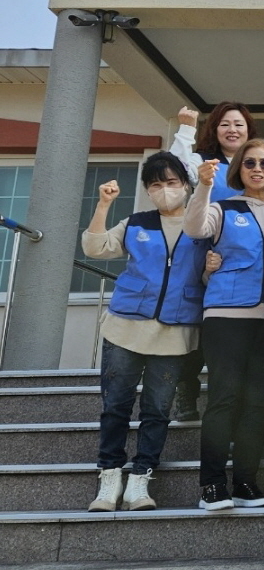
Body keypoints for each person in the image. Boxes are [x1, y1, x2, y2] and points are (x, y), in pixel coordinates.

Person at [82, 152, 209, 512]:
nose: (165, 190)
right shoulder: (136, 223)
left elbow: (209, 275)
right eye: (156, 185)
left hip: (175, 332)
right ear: (148, 191)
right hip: (126, 327)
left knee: (157, 409)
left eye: (171, 183)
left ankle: (140, 478)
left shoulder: (202, 226)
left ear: (186, 185)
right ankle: (109, 477)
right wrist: (104, 204)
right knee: (116, 405)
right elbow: (94, 247)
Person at [169, 103, 264, 421]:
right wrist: (185, 128)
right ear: (214, 129)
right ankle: (187, 386)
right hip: (199, 246)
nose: (232, 130)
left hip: (238, 253)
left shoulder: (255, 164)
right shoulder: (204, 162)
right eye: (225, 124)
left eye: (239, 124)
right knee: (196, 320)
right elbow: (176, 167)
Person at [183, 139, 264, 511]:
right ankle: (211, 485)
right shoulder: (222, 207)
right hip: (226, 315)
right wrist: (204, 184)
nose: (258, 169)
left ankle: (245, 481)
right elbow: (195, 228)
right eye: (249, 164)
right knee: (225, 398)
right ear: (239, 170)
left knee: (259, 403)